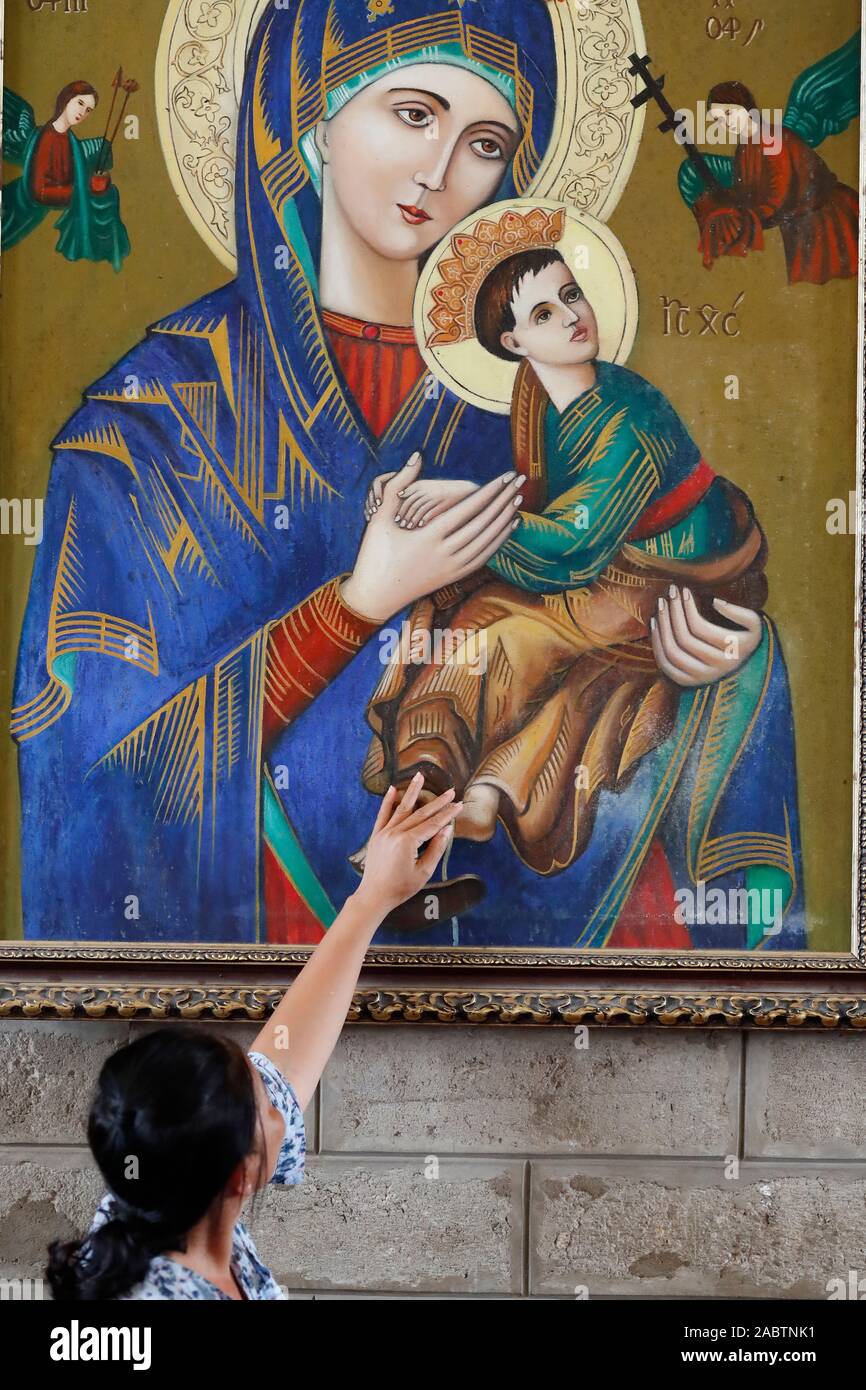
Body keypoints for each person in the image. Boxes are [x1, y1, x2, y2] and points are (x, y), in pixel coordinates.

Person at [12, 0, 768, 954]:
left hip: (522, 1001)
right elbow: (88, 776)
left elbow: (650, 590)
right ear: (315, 113)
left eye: (485, 141)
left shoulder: (554, 405)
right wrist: (357, 605)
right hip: (237, 981)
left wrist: (709, 667)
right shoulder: (150, 426)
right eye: (413, 114)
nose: (439, 173)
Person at [355, 232, 794, 948]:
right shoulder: (538, 392)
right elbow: (538, 498)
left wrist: (458, 510)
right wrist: (438, 497)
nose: (570, 316)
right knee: (466, 619)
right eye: (544, 312)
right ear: (512, 340)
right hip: (602, 568)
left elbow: (572, 545)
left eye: (571, 295)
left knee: (514, 635)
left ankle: (485, 793)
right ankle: (436, 791)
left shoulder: (630, 419)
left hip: (667, 580)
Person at [46, 774, 460, 1300]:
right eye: (267, 1107)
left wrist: (372, 897)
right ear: (241, 1179)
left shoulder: (157, 1207)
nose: (282, 1103)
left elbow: (283, 1058)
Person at [688, 78, 859, 285]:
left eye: (728, 113)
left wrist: (746, 217)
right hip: (799, 223)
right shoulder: (746, 146)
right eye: (717, 120)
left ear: (746, 107)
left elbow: (779, 195)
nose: (725, 123)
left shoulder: (771, 138)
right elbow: (749, 192)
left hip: (827, 218)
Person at [1, 80, 130, 269]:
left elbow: (72, 175)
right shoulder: (48, 138)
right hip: (17, 210)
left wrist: (95, 184)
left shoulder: (70, 141)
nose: (82, 112)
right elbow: (40, 192)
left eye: (88, 110)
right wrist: (85, 190)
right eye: (80, 103)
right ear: (66, 99)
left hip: (31, 214)